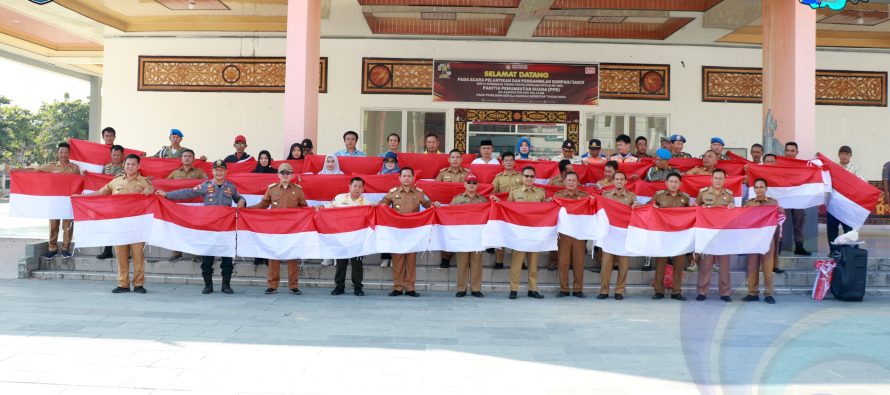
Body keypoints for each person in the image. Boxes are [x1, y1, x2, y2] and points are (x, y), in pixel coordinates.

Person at [157, 160, 247, 294]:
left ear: (226, 172)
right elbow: (188, 193)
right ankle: (208, 285)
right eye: (216, 170)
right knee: (207, 260)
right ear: (212, 172)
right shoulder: (206, 186)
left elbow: (238, 198)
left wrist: (241, 201)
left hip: (225, 229)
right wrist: (167, 195)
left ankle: (226, 285)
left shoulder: (231, 187)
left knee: (227, 259)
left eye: (221, 170)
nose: (219, 172)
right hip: (209, 229)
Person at [85, 154, 153, 294]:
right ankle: (123, 284)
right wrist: (82, 197)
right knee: (121, 254)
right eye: (128, 164)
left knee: (137, 255)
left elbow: (153, 193)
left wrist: (150, 191)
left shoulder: (145, 182)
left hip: (137, 224)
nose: (130, 167)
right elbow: (101, 192)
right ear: (124, 165)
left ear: (138, 166)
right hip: (120, 224)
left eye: (133, 164)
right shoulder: (115, 181)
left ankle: (139, 284)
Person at [249, 163, 307, 295]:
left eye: (288, 173)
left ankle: (293, 286)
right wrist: (247, 210)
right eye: (283, 173)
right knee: (273, 256)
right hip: (275, 229)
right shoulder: (272, 189)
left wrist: (315, 210)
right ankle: (272, 285)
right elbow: (263, 205)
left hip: (292, 229)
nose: (285, 175)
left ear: (292, 175)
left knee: (292, 257)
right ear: (278, 175)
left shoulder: (298, 190)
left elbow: (304, 208)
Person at [15, 142, 81, 259]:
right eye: (61, 152)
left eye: (65, 152)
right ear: (58, 153)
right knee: (53, 225)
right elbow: (36, 171)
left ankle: (66, 249)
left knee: (68, 226)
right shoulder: (51, 166)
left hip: (68, 202)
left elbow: (79, 184)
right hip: (55, 201)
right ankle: (52, 248)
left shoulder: (75, 168)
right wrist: (17, 170)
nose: (63, 154)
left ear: (69, 153)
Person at [378, 167, 433, 297]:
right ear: (400, 178)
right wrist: (381, 204)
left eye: (409, 176)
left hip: (413, 232)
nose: (406, 178)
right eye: (404, 176)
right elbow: (384, 201)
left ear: (413, 178)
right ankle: (397, 287)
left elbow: (428, 205)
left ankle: (410, 287)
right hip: (397, 232)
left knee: (411, 261)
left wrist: (434, 204)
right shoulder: (393, 192)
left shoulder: (419, 193)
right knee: (397, 261)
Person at [504, 166, 546, 300]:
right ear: (522, 178)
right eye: (526, 176)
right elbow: (508, 210)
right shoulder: (514, 192)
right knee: (517, 263)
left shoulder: (541, 193)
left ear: (535, 178)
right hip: (520, 234)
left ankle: (532, 289)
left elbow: (545, 213)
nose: (529, 179)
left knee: (533, 264)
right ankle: (513, 289)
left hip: (534, 234)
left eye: (531, 176)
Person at [326, 177, 372, 296]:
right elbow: (328, 209)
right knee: (341, 263)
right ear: (350, 187)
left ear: (363, 189)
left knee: (357, 264)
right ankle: (339, 286)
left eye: (360, 186)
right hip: (341, 237)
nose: (357, 188)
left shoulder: (366, 204)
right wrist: (320, 207)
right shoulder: (339, 198)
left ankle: (358, 288)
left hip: (357, 239)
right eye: (355, 186)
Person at [696, 169, 736, 302]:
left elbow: (734, 216)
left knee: (724, 266)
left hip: (724, 235)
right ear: (711, 179)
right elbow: (696, 211)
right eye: (716, 178)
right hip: (708, 235)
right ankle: (702, 291)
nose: (718, 181)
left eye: (720, 178)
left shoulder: (729, 195)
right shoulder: (703, 193)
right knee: (705, 265)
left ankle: (725, 293)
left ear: (724, 180)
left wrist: (732, 208)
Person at [163, 149, 207, 263]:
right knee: (177, 228)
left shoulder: (200, 173)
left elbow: (207, 185)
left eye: (189, 156)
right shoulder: (174, 173)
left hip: (194, 206)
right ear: (181, 158)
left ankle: (196, 254)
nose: (187, 158)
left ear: (193, 159)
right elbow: (165, 185)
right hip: (178, 206)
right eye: (185, 156)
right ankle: (176, 253)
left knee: (195, 229)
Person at [598, 171, 637, 300]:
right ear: (613, 181)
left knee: (623, 265)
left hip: (625, 235)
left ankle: (619, 291)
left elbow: (637, 212)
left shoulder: (631, 197)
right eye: (617, 179)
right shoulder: (606, 195)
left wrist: (636, 207)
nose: (619, 181)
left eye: (621, 179)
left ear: (626, 181)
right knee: (606, 265)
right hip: (609, 235)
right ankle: (604, 291)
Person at [651, 173, 691, 301]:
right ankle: (658, 291)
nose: (673, 184)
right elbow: (648, 207)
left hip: (679, 236)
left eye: (676, 182)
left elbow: (691, 213)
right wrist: (653, 207)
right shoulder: (659, 195)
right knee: (660, 264)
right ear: (666, 183)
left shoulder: (685, 198)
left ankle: (676, 291)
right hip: (663, 235)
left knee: (679, 265)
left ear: (680, 184)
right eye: (671, 181)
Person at [743, 178, 782, 304]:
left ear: (766, 189)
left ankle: (769, 294)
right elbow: (742, 219)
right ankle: (752, 293)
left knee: (767, 267)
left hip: (767, 239)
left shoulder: (773, 203)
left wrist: (781, 212)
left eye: (761, 187)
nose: (759, 189)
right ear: (754, 189)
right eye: (756, 187)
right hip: (753, 239)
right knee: (752, 266)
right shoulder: (748, 203)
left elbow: (779, 218)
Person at [450, 174, 488, 298]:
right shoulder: (457, 200)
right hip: (462, 236)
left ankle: (476, 288)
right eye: (469, 182)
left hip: (477, 237)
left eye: (474, 182)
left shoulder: (483, 200)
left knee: (477, 263)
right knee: (462, 263)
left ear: (477, 185)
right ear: (464, 184)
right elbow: (449, 215)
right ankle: (461, 288)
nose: (472, 185)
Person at [552, 171, 589, 298]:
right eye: (569, 180)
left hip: (579, 234)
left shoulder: (585, 196)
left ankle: (578, 289)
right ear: (564, 181)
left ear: (577, 182)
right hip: (564, 234)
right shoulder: (558, 196)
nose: (571, 183)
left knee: (579, 262)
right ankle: (564, 289)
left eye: (574, 180)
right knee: (563, 262)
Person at [435, 149, 471, 268]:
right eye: (453, 157)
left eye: (457, 157)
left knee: (463, 232)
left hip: (462, 207)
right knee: (448, 232)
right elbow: (435, 188)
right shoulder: (443, 173)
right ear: (448, 159)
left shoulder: (467, 173)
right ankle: (445, 257)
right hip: (447, 208)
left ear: (461, 159)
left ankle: (466, 258)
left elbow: (472, 187)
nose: (455, 159)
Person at [827, 146, 864, 254]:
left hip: (847, 205)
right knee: (832, 230)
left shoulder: (855, 168)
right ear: (839, 155)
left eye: (846, 154)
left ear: (850, 156)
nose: (844, 156)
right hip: (833, 204)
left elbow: (862, 184)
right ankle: (833, 251)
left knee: (849, 230)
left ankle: (851, 252)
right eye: (842, 153)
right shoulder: (833, 167)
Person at [490, 152, 523, 269]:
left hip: (516, 210)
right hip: (502, 210)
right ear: (502, 162)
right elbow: (492, 193)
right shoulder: (498, 178)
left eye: (511, 160)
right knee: (501, 234)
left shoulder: (521, 176)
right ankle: (499, 261)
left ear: (514, 162)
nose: (508, 162)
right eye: (506, 161)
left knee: (518, 234)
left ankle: (520, 261)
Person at [95, 145, 126, 260]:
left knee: (122, 225)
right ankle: (107, 250)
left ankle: (125, 252)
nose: (116, 157)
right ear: (110, 155)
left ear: (122, 155)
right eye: (114, 155)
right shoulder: (106, 167)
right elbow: (100, 181)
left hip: (121, 200)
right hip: (108, 200)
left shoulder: (126, 167)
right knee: (108, 225)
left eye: (118, 155)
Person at [783, 142, 811, 256]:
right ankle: (778, 247)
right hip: (783, 198)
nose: (789, 153)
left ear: (797, 152)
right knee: (780, 222)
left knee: (799, 221)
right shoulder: (778, 164)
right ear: (784, 151)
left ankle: (799, 246)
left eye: (792, 150)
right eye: (787, 150)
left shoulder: (802, 165)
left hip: (798, 198)